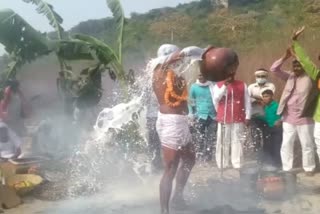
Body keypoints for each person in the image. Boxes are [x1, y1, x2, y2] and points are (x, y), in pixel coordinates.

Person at [152, 44, 195, 214]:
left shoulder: (173, 72)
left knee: (190, 159)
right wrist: (198, 51)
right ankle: (164, 210)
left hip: (179, 121)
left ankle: (177, 197)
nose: (180, 61)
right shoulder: (160, 70)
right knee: (170, 168)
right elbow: (179, 55)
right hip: (172, 122)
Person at [270, 46, 318, 176]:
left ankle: (309, 168)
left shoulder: (310, 78)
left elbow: (309, 65)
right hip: (288, 117)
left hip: (304, 118)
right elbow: (274, 69)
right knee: (286, 143)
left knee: (307, 144)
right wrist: (285, 57)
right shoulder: (290, 76)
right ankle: (287, 168)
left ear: (303, 67)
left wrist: (298, 56)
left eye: (299, 66)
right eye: (294, 66)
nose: (296, 68)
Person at [213, 55, 251, 169]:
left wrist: (248, 116)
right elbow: (216, 99)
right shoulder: (218, 85)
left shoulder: (242, 84)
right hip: (223, 119)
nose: (230, 75)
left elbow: (247, 101)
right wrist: (225, 85)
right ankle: (222, 163)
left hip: (238, 118)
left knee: (237, 141)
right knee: (222, 141)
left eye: (232, 73)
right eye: (228, 73)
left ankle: (237, 163)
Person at [291, 26, 320, 167]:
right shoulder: (317, 74)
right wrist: (295, 41)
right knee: (318, 141)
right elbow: (305, 60)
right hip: (319, 117)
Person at [188, 73, 217, 161]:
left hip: (212, 116)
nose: (201, 77)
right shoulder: (194, 87)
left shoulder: (212, 85)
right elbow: (191, 102)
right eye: (199, 75)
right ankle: (200, 155)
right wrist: (191, 113)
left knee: (211, 137)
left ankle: (208, 156)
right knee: (200, 137)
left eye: (202, 75)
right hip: (200, 116)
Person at [257, 89, 282, 167]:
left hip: (276, 130)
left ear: (271, 96)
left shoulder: (277, 106)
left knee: (276, 147)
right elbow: (266, 118)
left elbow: (281, 116)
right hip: (268, 129)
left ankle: (277, 164)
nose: (265, 98)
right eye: (263, 97)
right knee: (267, 146)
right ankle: (268, 162)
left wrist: (279, 120)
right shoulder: (265, 107)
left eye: (266, 96)